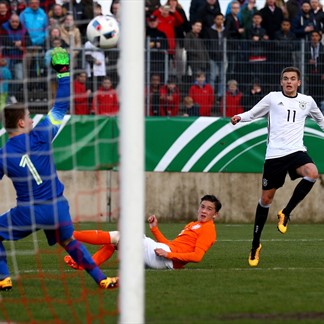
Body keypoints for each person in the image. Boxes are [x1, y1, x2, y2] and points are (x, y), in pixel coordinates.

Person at [0, 47, 118, 291]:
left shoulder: (3, 154)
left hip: (29, 212)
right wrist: (63, 73)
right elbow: (61, 107)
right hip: (58, 207)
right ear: (21, 122)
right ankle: (101, 279)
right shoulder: (41, 135)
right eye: (29, 116)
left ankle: (3, 277)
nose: (32, 119)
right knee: (69, 242)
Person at [230, 66, 324, 267]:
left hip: (296, 151)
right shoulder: (272, 98)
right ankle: (255, 244)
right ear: (281, 82)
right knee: (265, 199)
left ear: (299, 82)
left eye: (292, 79)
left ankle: (286, 212)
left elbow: (321, 120)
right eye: (285, 79)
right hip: (274, 156)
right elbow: (254, 114)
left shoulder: (307, 102)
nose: (289, 82)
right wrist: (240, 117)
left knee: (313, 173)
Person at [64, 194, 222, 270]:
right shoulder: (193, 224)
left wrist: (169, 255)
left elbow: (197, 256)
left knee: (120, 236)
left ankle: (69, 233)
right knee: (113, 244)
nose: (203, 211)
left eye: (209, 209)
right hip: (165, 255)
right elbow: (169, 245)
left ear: (215, 215)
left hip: (167, 260)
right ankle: (83, 265)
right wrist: (155, 229)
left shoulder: (208, 230)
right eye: (202, 206)